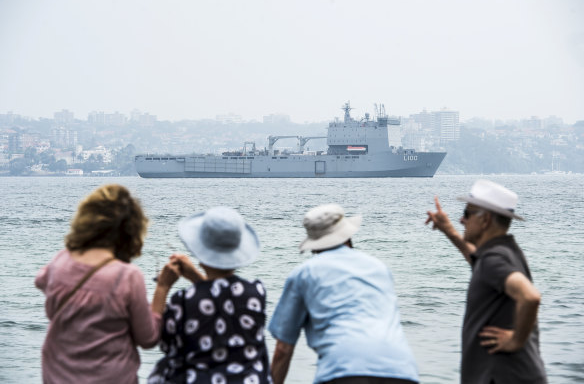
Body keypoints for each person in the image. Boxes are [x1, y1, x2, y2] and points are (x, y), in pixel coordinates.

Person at [35, 184, 180, 384]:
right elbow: (148, 338)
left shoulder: (60, 260)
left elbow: (41, 281)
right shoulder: (127, 276)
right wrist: (162, 287)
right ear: (131, 230)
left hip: (56, 376)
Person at [269, 204, 419, 384]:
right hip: (401, 370)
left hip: (341, 372)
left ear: (314, 246)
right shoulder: (379, 267)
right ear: (348, 235)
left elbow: (283, 349)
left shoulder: (304, 273)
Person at [425, 179, 547, 384]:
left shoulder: (494, 259)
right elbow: (476, 259)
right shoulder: (505, 252)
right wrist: (449, 231)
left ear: (485, 220)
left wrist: (515, 340)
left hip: (502, 376)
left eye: (467, 213)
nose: (462, 220)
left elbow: (530, 296)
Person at [148, 206, 271, 384]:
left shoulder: (183, 300)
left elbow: (159, 339)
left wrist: (162, 286)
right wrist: (195, 277)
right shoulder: (257, 292)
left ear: (200, 248)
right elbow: (222, 297)